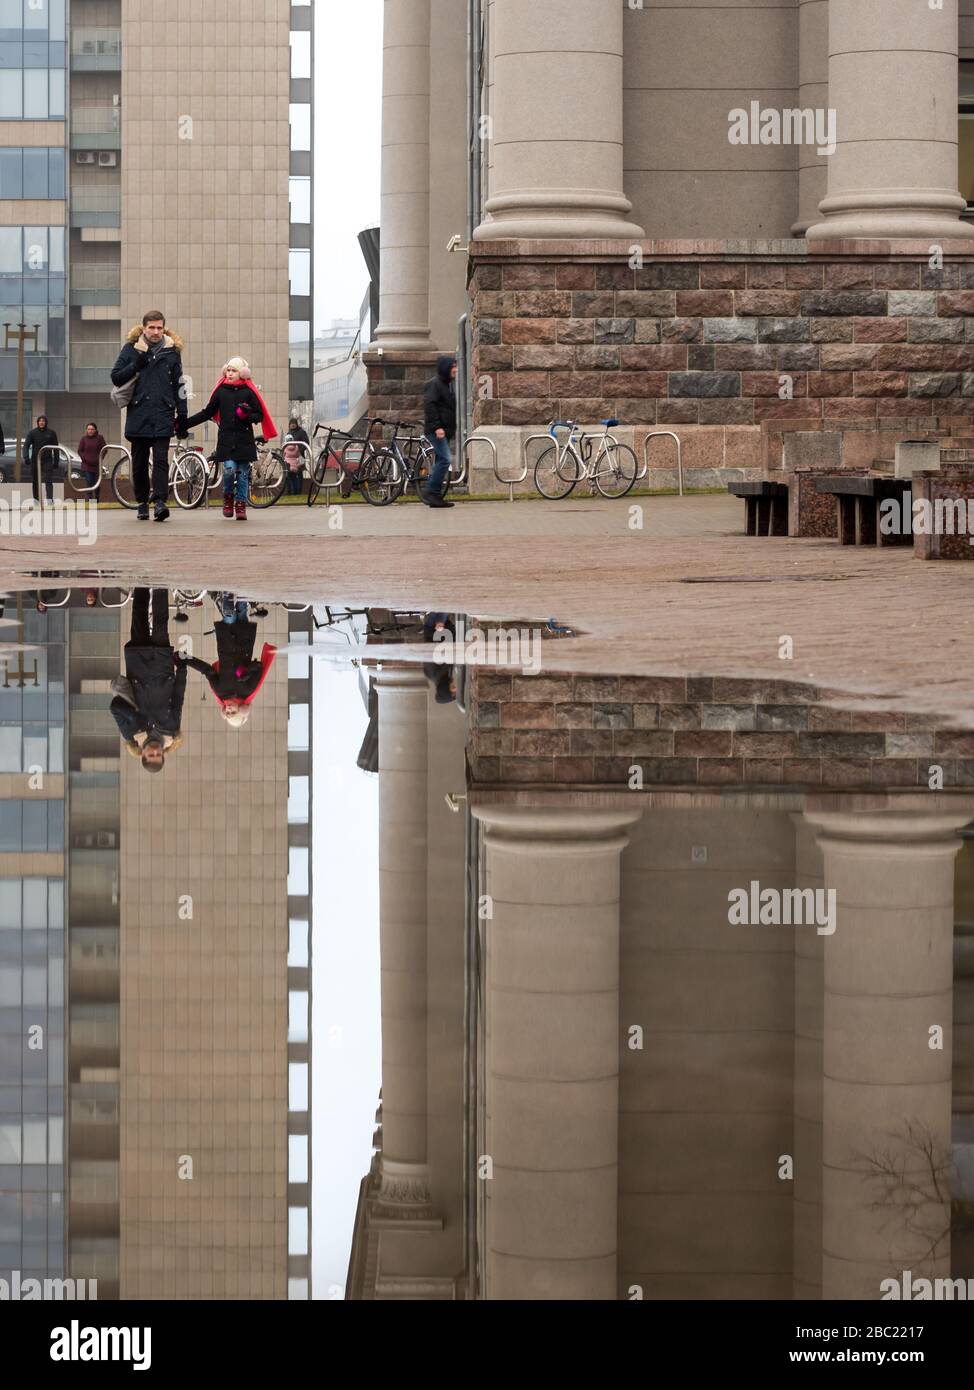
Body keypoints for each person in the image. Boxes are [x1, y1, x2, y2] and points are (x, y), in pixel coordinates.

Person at [110, 311, 188, 523]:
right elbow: (116, 377)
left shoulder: (172, 352)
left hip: (163, 412)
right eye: (151, 328)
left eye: (159, 328)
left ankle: (161, 502)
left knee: (162, 459)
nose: (155, 332)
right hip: (139, 412)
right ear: (143, 328)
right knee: (140, 463)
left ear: (164, 328)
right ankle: (143, 502)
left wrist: (182, 415)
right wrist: (137, 364)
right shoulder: (131, 349)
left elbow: (180, 384)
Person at [181, 357, 276, 521]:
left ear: (242, 373)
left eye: (234, 371)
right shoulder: (221, 391)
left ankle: (240, 504)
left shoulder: (249, 392)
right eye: (228, 370)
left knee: (243, 474)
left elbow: (258, 415)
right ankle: (228, 497)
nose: (230, 374)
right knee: (229, 470)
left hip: (244, 440)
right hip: (226, 439)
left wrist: (247, 415)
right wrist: (185, 424)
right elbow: (207, 412)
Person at [109, 588, 185, 773]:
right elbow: (177, 699)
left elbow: (115, 707)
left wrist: (135, 720)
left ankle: (141, 583)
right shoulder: (171, 731)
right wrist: (182, 670)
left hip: (138, 667)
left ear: (142, 754)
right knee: (161, 623)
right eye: (158, 755)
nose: (155, 752)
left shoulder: (131, 734)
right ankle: (160, 584)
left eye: (151, 755)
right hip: (162, 670)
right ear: (163, 754)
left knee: (139, 618)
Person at [184, 598, 277, 726]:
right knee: (241, 609)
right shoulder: (248, 690)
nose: (228, 710)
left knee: (229, 614)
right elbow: (259, 667)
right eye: (233, 713)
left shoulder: (220, 692)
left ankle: (227, 591)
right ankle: (239, 585)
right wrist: (246, 671)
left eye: (227, 713)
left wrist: (185, 658)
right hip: (244, 641)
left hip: (225, 642)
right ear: (241, 710)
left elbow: (207, 671)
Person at [422, 354, 458, 509]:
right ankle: (431, 491)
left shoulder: (446, 384)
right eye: (453, 367)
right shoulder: (435, 384)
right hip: (437, 431)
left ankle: (435, 497)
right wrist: (438, 427)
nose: (456, 370)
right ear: (446, 368)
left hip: (444, 430)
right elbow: (430, 406)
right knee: (445, 459)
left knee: (440, 460)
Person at [24, 415, 59, 503]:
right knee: (35, 481)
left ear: (46, 422)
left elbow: (56, 448)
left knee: (48, 480)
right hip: (35, 460)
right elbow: (26, 445)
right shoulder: (32, 433)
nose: (41, 422)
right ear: (38, 422)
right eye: (40, 421)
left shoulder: (51, 433)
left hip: (47, 460)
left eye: (43, 421)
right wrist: (26, 457)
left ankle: (49, 500)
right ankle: (36, 500)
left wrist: (56, 461)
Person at [77, 422, 106, 495]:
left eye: (92, 429)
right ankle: (90, 501)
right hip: (87, 465)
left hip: (96, 465)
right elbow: (80, 451)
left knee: (96, 484)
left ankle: (96, 500)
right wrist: (84, 459)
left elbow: (104, 449)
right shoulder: (83, 439)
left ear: (95, 430)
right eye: (88, 429)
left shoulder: (100, 438)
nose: (90, 431)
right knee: (89, 483)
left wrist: (100, 458)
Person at [283, 417, 310, 496]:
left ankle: (299, 490)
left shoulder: (301, 432)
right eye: (291, 424)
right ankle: (291, 490)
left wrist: (299, 451)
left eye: (293, 424)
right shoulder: (289, 433)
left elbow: (306, 443)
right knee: (290, 474)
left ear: (296, 424)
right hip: (289, 458)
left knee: (299, 473)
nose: (292, 426)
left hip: (300, 456)